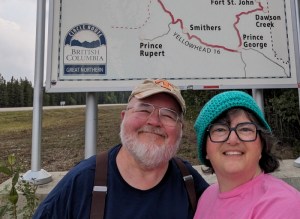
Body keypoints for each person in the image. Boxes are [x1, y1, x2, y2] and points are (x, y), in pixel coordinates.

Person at [33, 79, 209, 219]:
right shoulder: (82, 182)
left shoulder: (190, 184)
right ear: (123, 117)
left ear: (180, 130)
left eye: (169, 115)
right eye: (144, 109)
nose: (154, 121)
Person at [193, 90, 300, 219]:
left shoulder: (282, 205)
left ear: (262, 144)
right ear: (205, 150)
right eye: (220, 129)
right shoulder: (206, 197)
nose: (232, 140)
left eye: (245, 129)